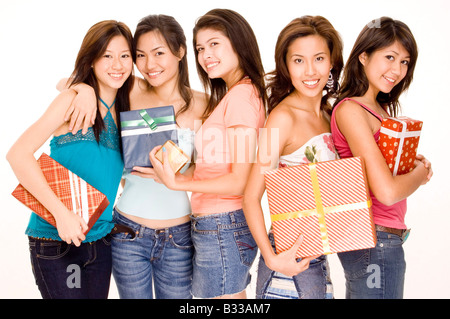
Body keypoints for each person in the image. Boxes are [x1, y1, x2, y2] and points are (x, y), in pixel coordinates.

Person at [59, 14, 207, 299]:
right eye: (140, 55)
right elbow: (65, 81)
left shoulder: (203, 104)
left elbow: (209, 172)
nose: (149, 64)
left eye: (159, 53)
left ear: (180, 51)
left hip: (179, 235)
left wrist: (174, 177)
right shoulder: (130, 89)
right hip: (127, 232)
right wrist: (84, 90)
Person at [6, 20, 134, 299]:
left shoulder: (128, 109)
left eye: (125, 55)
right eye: (107, 56)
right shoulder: (72, 102)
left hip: (100, 241)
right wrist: (61, 214)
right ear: (91, 60)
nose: (117, 64)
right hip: (56, 241)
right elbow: (17, 154)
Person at [149, 8, 266, 299]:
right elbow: (216, 168)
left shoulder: (240, 98)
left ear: (239, 42)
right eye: (200, 48)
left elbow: (240, 181)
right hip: (218, 225)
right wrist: (172, 171)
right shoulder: (235, 95)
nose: (205, 55)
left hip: (223, 225)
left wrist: (180, 183)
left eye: (214, 44)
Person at [330, 17, 432, 299]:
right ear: (363, 55)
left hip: (380, 240)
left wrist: (410, 167)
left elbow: (380, 174)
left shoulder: (378, 109)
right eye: (390, 57)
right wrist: (419, 174)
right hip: (374, 240)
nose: (397, 69)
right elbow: (386, 192)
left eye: (404, 62)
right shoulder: (352, 110)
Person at [242, 16, 343, 299]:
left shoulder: (328, 113)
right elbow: (250, 197)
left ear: (332, 61)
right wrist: (271, 257)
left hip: (319, 260)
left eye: (319, 58)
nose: (310, 71)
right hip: (287, 260)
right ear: (286, 66)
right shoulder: (282, 118)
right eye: (298, 60)